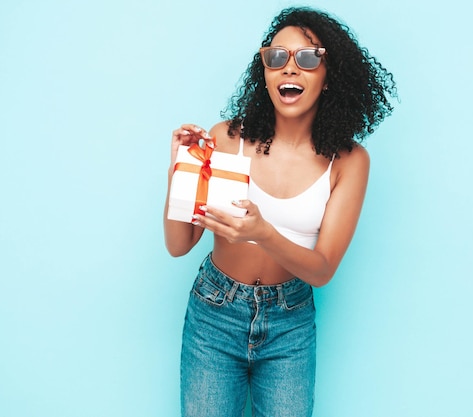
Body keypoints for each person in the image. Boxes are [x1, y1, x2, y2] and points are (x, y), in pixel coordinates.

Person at [163, 6, 396, 417]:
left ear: (328, 77)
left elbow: (322, 270)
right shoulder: (227, 139)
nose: (290, 69)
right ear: (265, 72)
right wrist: (179, 170)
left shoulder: (348, 161)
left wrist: (262, 231)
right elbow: (178, 245)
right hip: (214, 313)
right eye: (277, 57)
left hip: (289, 324)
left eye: (308, 58)